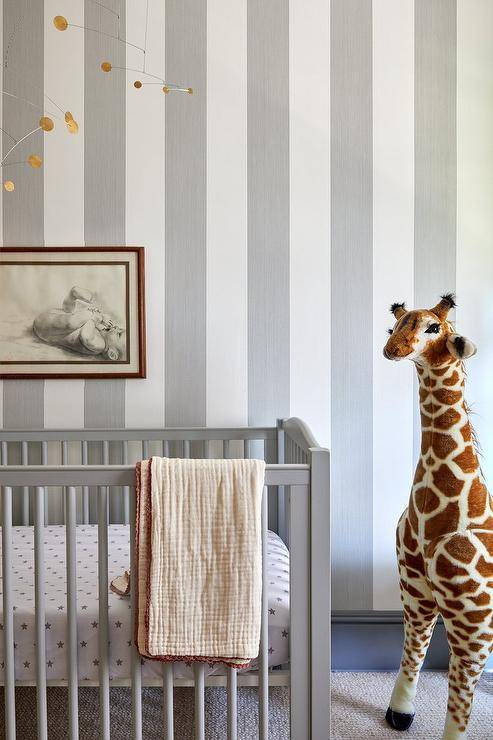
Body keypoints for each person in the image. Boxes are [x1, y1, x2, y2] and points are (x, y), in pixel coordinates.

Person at [33, 286, 126, 361]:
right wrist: (99, 316)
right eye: (121, 329)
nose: (117, 328)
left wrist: (95, 317)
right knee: (78, 316)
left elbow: (85, 337)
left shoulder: (100, 346)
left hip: (46, 329)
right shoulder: (103, 333)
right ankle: (79, 296)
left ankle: (75, 296)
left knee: (73, 322)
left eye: (119, 334)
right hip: (55, 320)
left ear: (112, 354)